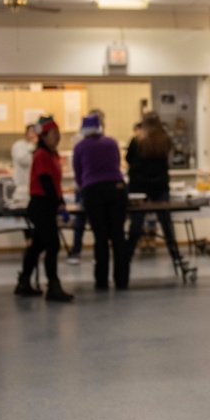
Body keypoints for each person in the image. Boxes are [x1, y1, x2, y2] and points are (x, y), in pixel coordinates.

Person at [14, 115, 74, 303]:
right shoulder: (40, 155)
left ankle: (24, 282)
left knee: (38, 246)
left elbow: (55, 183)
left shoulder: (52, 154)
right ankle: (53, 287)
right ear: (44, 136)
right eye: (54, 134)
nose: (57, 137)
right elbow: (46, 181)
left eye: (58, 134)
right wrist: (58, 203)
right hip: (41, 204)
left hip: (47, 203)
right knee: (53, 245)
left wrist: (61, 201)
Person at [72, 112, 128, 291]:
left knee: (101, 237)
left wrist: (84, 189)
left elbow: (78, 173)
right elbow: (117, 164)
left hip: (93, 191)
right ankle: (122, 280)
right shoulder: (111, 142)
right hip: (116, 188)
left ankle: (102, 281)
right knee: (118, 236)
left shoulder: (80, 147)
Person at [124, 111, 180, 286]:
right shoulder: (164, 140)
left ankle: (126, 260)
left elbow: (128, 159)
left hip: (139, 188)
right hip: (160, 186)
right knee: (166, 224)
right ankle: (176, 257)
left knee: (136, 225)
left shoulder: (137, 141)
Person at [68, 109, 105, 264]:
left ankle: (98, 253)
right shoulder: (80, 141)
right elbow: (78, 167)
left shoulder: (104, 140)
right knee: (80, 221)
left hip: (93, 186)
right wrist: (81, 185)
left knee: (97, 222)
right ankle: (76, 251)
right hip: (85, 186)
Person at [10, 123, 37, 205]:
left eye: (35, 132)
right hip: (21, 187)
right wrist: (33, 145)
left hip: (34, 188)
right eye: (31, 132)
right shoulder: (19, 145)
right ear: (26, 133)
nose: (33, 134)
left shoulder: (38, 147)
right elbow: (24, 161)